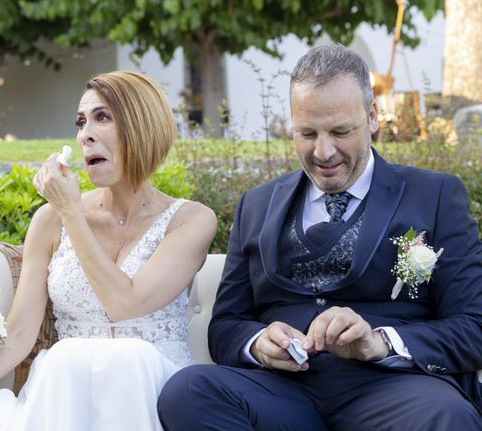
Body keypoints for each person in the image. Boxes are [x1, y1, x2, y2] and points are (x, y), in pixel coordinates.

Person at [158, 44, 482, 430]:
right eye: (306, 133)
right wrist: (258, 343)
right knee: (188, 391)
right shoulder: (256, 206)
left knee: (447, 416)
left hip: (396, 391)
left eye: (340, 131)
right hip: (282, 393)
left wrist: (380, 342)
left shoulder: (435, 195)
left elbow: (472, 326)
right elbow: (227, 323)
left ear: (373, 116)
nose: (323, 151)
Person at [0, 71, 217, 430]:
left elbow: (123, 304)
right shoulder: (49, 219)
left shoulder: (191, 220)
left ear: (142, 126)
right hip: (66, 393)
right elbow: (20, 332)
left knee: (130, 359)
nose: (86, 134)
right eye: (81, 122)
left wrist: (71, 213)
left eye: (103, 117)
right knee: (65, 358)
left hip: (154, 389)